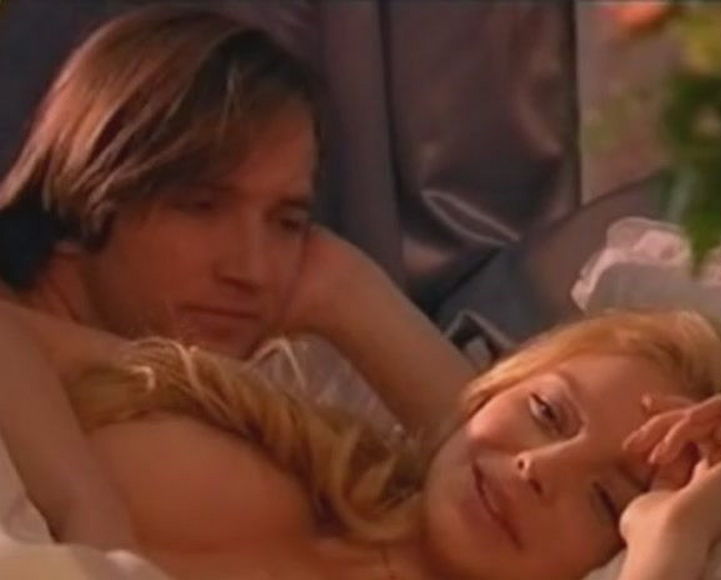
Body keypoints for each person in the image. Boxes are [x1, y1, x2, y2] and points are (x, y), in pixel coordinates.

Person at [0, 5, 473, 554]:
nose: (251, 270)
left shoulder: (283, 366)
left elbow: (518, 490)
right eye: (200, 206)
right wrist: (86, 508)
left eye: (287, 222)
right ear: (79, 200)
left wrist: (352, 294)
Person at [3, 301, 721, 579]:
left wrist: (673, 544)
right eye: (547, 412)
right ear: (493, 389)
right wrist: (85, 510)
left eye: (606, 502)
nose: (539, 467)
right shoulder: (270, 425)